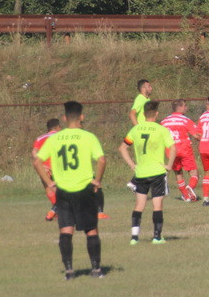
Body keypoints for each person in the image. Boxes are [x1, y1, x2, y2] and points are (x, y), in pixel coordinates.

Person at [31, 101, 107, 279]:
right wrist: (97, 181)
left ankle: (69, 271)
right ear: (82, 116)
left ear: (64, 118)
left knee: (66, 230)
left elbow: (37, 161)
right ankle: (96, 270)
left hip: (63, 190)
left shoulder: (54, 139)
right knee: (91, 230)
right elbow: (102, 160)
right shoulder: (88, 137)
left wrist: (49, 182)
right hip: (84, 189)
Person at [119, 100, 176, 244]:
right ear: (156, 114)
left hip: (141, 173)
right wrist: (169, 165)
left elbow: (122, 148)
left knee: (139, 205)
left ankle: (134, 238)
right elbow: (173, 148)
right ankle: (157, 237)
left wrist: (132, 165)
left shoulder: (136, 129)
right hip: (157, 172)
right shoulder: (161, 129)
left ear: (143, 114)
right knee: (157, 205)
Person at [161, 99, 201, 202]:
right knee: (194, 173)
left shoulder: (164, 121)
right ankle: (190, 187)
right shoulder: (185, 120)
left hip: (171, 151)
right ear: (180, 107)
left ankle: (186, 197)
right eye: (185, 106)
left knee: (178, 173)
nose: (186, 108)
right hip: (184, 149)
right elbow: (197, 135)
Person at [125, 79, 153, 194]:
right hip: (143, 135)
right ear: (143, 88)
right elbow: (132, 114)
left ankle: (135, 182)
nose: (151, 88)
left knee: (147, 159)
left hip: (147, 133)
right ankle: (134, 182)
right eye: (149, 86)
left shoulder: (147, 99)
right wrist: (138, 129)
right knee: (148, 159)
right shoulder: (140, 99)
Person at [32, 118, 61, 221]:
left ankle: (56, 212)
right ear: (58, 127)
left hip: (44, 167)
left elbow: (34, 151)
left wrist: (41, 165)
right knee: (62, 191)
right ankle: (56, 211)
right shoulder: (61, 136)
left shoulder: (40, 138)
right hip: (59, 167)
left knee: (49, 189)